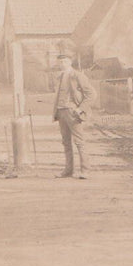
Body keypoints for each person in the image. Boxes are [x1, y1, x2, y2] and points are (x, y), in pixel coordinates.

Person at [52, 47, 96, 179]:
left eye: (65, 61)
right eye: (60, 62)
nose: (62, 64)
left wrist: (80, 108)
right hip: (61, 112)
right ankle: (68, 170)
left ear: (70, 62)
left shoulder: (77, 75)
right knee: (66, 142)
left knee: (79, 142)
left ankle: (85, 171)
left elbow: (91, 94)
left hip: (72, 112)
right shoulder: (59, 76)